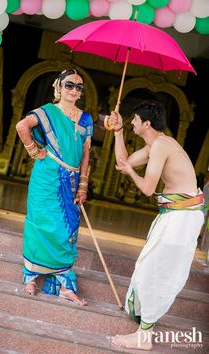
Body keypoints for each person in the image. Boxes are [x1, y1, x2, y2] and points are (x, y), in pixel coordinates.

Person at [106, 100, 204, 350]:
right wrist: (118, 133)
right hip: (175, 215)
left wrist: (131, 172)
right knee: (149, 266)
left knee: (157, 269)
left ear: (146, 123)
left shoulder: (161, 145)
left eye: (135, 120)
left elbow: (148, 189)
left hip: (183, 217)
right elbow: (123, 161)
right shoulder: (156, 145)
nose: (132, 123)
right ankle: (144, 328)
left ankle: (144, 335)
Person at [16, 68, 93, 306]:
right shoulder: (47, 112)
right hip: (47, 176)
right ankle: (30, 277)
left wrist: (83, 185)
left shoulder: (85, 119)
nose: (74, 90)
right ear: (58, 87)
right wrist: (34, 151)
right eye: (69, 85)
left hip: (71, 181)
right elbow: (21, 127)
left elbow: (86, 154)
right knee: (39, 223)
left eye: (79, 87)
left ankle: (65, 286)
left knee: (66, 229)